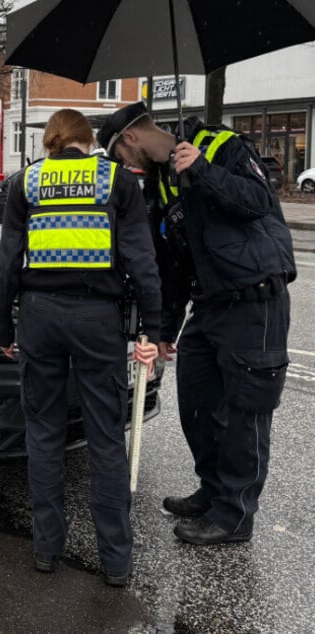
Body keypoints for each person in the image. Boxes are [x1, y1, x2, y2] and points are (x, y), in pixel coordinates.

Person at [97, 102, 296, 546]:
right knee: (197, 403)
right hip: (209, 307)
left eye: (120, 156)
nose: (124, 167)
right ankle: (213, 491)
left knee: (246, 413)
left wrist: (204, 170)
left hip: (254, 300)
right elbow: (171, 263)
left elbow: (260, 201)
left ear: (130, 138)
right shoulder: (160, 183)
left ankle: (234, 515)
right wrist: (166, 328)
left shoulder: (220, 146)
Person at [0, 109, 160, 587]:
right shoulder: (115, 181)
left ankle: (46, 549)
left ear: (50, 141)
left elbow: (8, 261)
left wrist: (7, 330)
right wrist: (154, 326)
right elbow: (141, 260)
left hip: (40, 317)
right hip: (97, 319)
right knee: (106, 437)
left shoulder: (26, 182)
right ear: (89, 141)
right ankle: (115, 561)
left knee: (43, 434)